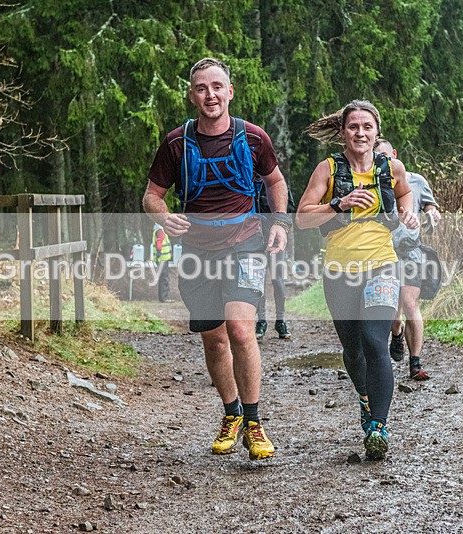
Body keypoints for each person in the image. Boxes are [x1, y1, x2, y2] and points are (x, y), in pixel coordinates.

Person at [143, 57, 291, 461]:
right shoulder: (176, 143)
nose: (210, 94)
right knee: (213, 337)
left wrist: (279, 222)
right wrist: (164, 217)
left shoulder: (254, 137)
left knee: (241, 330)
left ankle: (255, 422)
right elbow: (152, 195)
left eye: (217, 86)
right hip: (196, 250)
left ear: (230, 91)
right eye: (201, 88)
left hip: (245, 242)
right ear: (192, 95)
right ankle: (232, 414)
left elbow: (275, 181)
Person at [296, 100, 418, 460]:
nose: (361, 133)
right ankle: (365, 400)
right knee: (353, 349)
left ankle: (378, 427)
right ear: (342, 132)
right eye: (354, 127)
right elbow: (302, 218)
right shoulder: (328, 169)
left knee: (373, 341)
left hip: (382, 264)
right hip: (339, 270)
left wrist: (408, 213)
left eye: (367, 127)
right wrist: (339, 204)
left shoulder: (391, 167)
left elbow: (405, 193)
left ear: (377, 132)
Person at [375, 139, 442, 380]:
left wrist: (433, 213)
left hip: (411, 250)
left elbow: (429, 205)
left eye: (385, 156)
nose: (383, 162)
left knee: (410, 303)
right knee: (393, 309)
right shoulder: (369, 182)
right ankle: (396, 331)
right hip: (382, 253)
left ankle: (416, 363)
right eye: (377, 158)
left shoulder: (416, 180)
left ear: (394, 154)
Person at [254, 180, 295, 340]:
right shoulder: (247, 181)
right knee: (258, 281)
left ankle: (281, 321)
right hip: (254, 240)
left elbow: (289, 208)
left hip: (275, 240)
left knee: (278, 280)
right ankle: (261, 321)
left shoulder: (277, 183)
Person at [151, 222, 174, 303]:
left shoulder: (158, 230)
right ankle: (164, 298)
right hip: (163, 258)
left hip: (161, 258)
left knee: (162, 278)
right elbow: (159, 242)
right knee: (164, 278)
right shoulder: (160, 230)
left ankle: (163, 297)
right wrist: (159, 253)